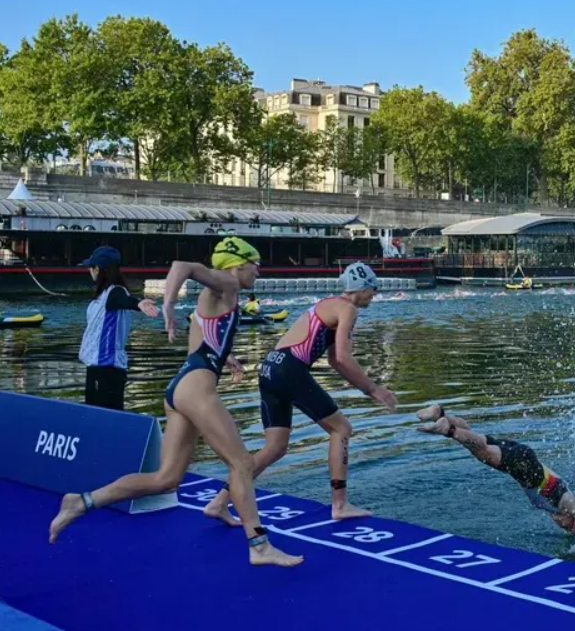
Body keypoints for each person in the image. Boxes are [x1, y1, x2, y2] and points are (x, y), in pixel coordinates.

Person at [50, 237, 302, 567]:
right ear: (238, 265)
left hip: (181, 386)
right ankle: (259, 545)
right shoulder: (226, 281)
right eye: (257, 265)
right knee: (241, 464)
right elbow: (182, 266)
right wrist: (168, 303)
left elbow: (203, 343)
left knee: (166, 479)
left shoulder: (215, 296)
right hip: (196, 390)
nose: (259, 272)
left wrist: (227, 358)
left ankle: (81, 502)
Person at [201, 262, 396, 524]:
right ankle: (339, 504)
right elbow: (343, 357)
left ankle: (219, 502)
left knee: (275, 448)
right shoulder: (348, 309)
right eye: (373, 289)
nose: (375, 294)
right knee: (341, 429)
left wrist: (365, 389)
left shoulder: (328, 304)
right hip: (289, 370)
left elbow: (336, 362)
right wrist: (374, 389)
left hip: (269, 367)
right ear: (362, 288)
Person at [416, 404, 575, 534]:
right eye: (567, 525)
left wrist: (572, 534)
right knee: (482, 452)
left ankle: (440, 413)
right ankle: (449, 429)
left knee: (475, 438)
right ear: (569, 517)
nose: (560, 524)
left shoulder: (553, 508)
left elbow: (571, 530)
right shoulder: (563, 500)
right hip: (524, 463)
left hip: (520, 456)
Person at [77, 246, 160, 411]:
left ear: (98, 269)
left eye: (91, 267)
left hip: (106, 367)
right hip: (97, 365)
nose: (88, 270)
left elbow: (122, 300)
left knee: (103, 416)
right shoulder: (103, 294)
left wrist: (137, 303)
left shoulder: (115, 292)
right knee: (98, 414)